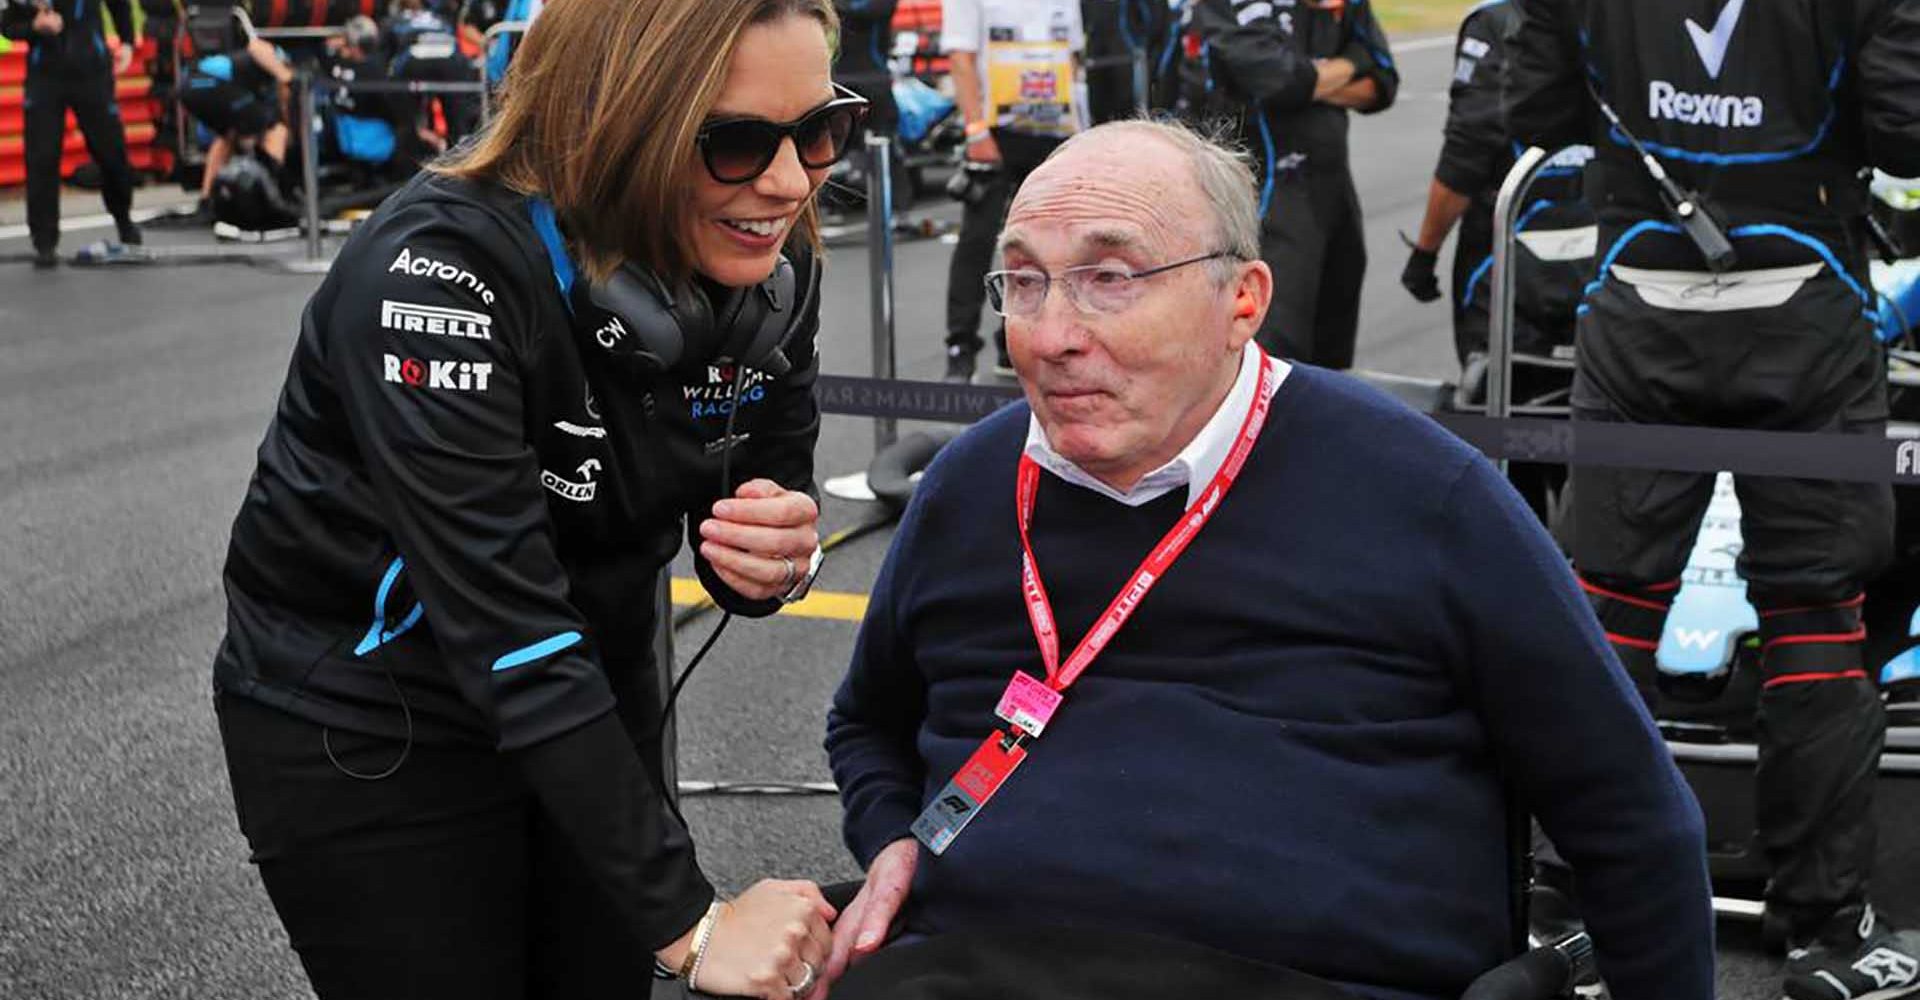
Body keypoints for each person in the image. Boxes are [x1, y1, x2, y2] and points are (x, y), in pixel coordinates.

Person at [820, 119, 1713, 1000]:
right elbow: (866, 722)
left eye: (1110, 278)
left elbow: (1631, 820)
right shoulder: (971, 486)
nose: (1053, 333)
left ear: (1241, 300)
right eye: (1024, 281)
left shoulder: (1425, 496)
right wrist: (894, 835)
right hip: (974, 965)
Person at [211, 0, 868, 997]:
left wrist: (771, 555)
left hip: (591, 684)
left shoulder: (776, 258)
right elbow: (507, 626)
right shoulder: (434, 270)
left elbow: (763, 494)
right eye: (735, 141)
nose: (789, 181)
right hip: (375, 713)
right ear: (616, 118)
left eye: (822, 129)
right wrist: (690, 922)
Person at [1507, 3, 1920, 999]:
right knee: (1816, 620)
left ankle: (1572, 919)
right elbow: (1908, 128)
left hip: (1638, 296)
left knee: (1610, 613)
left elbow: (1536, 108)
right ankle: (1828, 930)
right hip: (1806, 305)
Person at [1182, 0, 1398, 369]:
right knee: (1274, 353)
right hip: (1267, 193)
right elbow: (1281, 82)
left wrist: (1315, 78)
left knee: (1334, 354)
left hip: (1333, 193)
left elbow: (1382, 82)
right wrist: (1349, 63)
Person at [939, 0, 1083, 383]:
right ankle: (961, 348)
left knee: (1045, 246)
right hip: (994, 131)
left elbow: (1072, 58)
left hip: (1052, 129)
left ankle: (1015, 343)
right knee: (978, 237)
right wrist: (975, 130)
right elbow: (960, 57)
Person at [1, 0, 142, 268]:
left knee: (110, 151)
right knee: (42, 155)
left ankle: (123, 218)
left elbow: (119, 4)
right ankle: (44, 240)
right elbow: (7, 25)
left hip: (92, 71)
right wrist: (34, 26)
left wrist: (126, 40)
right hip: (45, 76)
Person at [178, 7, 293, 220]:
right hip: (209, 84)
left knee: (228, 135)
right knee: (275, 129)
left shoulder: (245, 71)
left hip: (190, 85)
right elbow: (257, 48)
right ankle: (272, 191)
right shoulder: (275, 55)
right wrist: (286, 76)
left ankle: (206, 198)